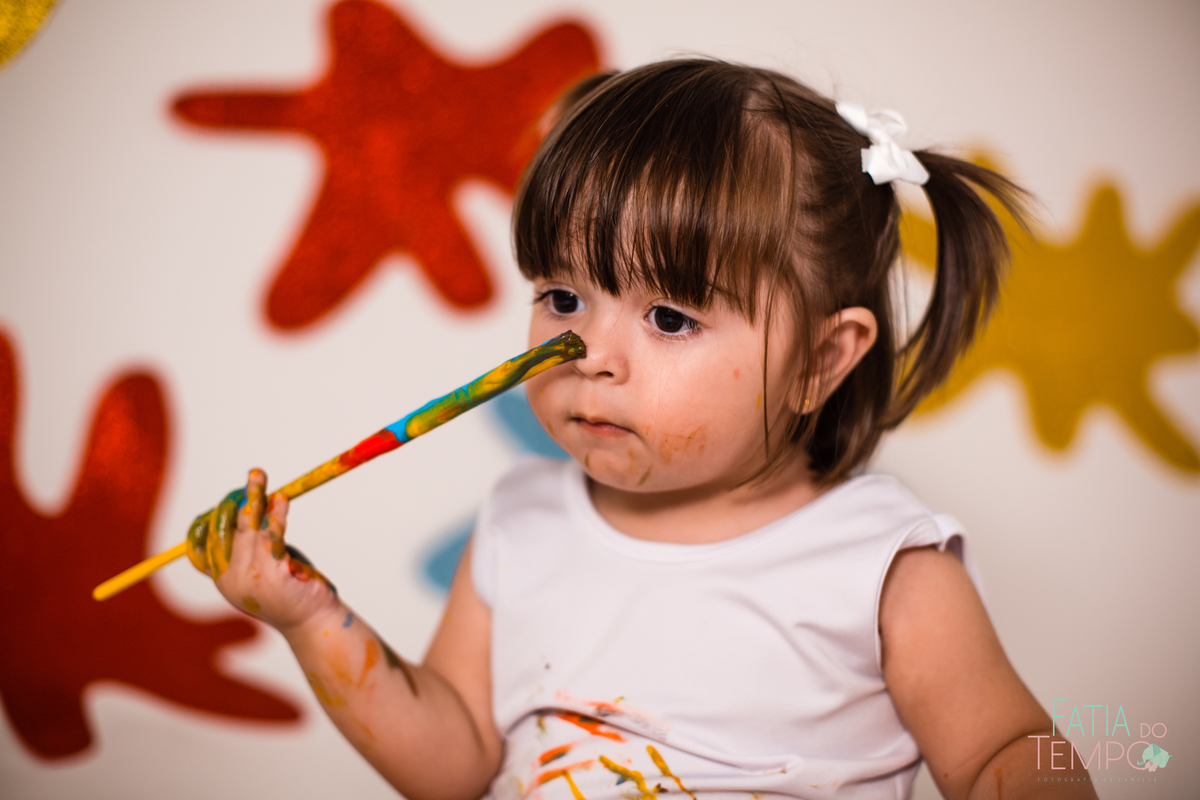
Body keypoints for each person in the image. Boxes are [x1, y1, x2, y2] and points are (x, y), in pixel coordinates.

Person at [201, 60, 1097, 799]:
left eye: (669, 318)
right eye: (563, 297)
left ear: (821, 362)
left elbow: (1003, 754)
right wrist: (311, 619)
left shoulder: (883, 565)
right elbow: (454, 760)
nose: (590, 353)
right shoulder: (520, 521)